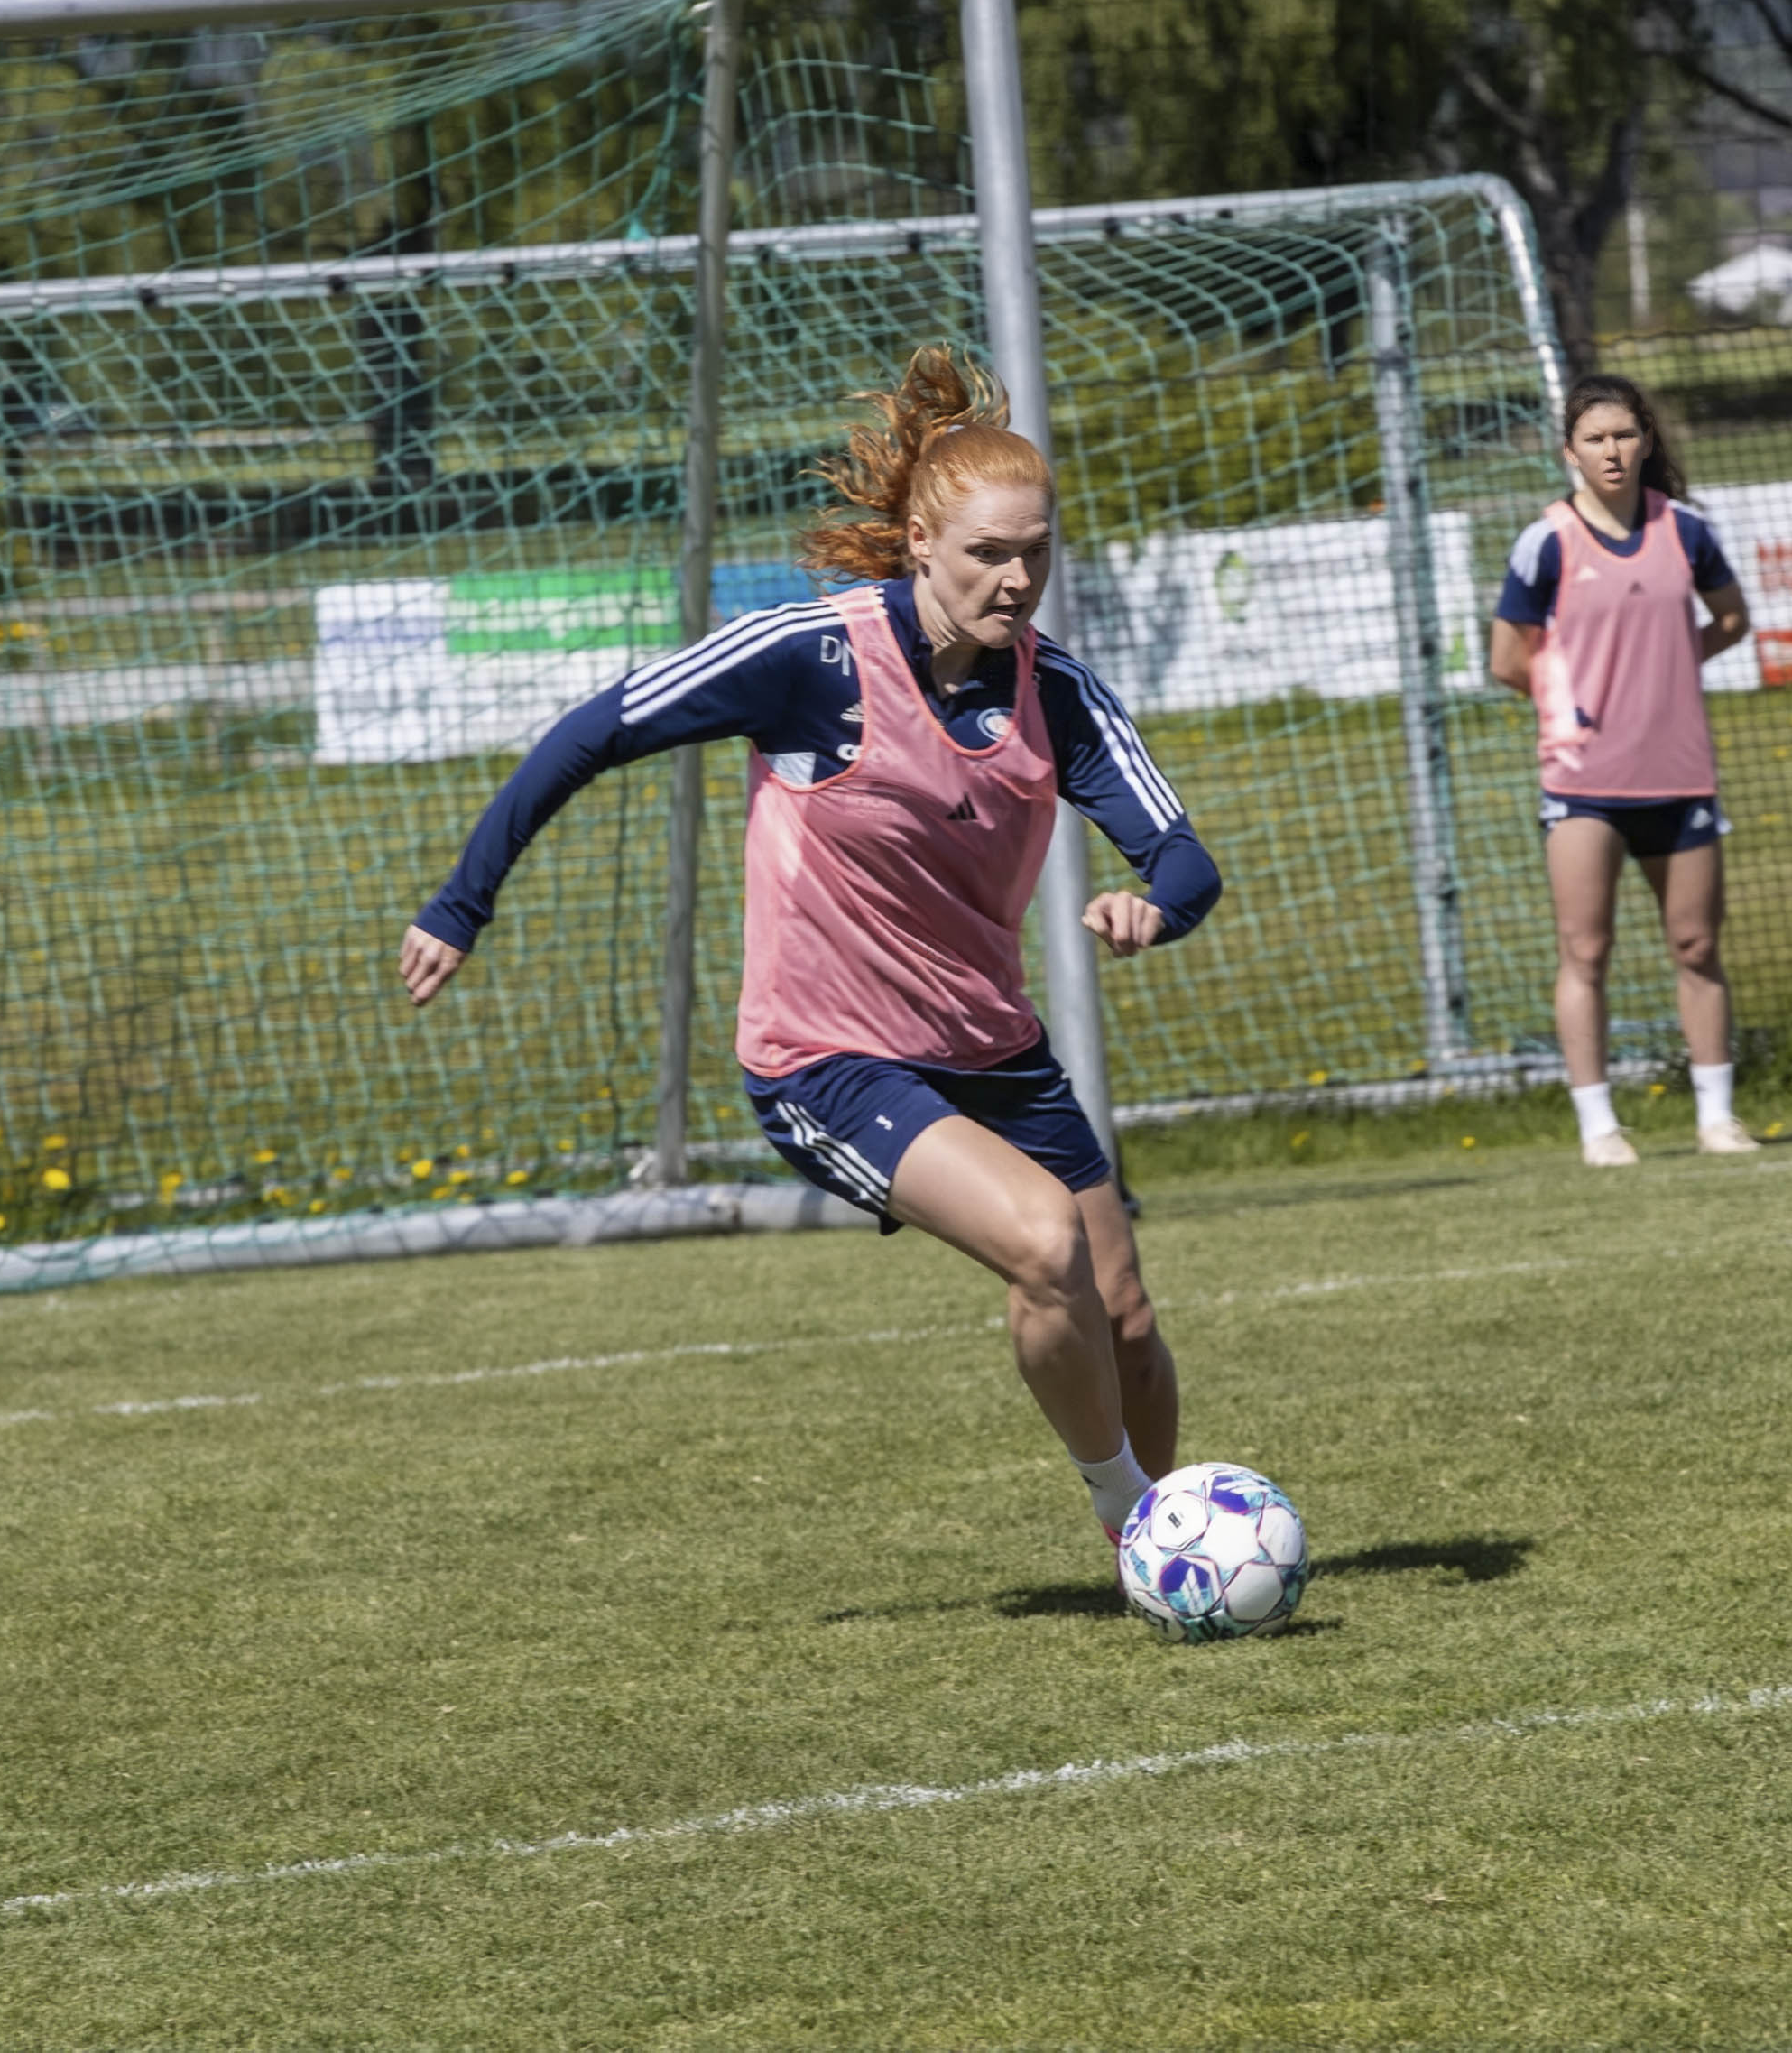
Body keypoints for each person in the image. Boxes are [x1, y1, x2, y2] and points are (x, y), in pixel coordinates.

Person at [397, 347, 1224, 1544]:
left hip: (992, 1050)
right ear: (920, 543)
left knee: (1127, 1316)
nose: (1016, 579)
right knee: (1047, 1247)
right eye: (988, 552)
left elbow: (1183, 856)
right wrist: (460, 904)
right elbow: (594, 730)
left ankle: (1157, 1551)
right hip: (825, 1058)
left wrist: (1156, 905)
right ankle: (1134, 1521)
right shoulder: (813, 657)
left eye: (1036, 551)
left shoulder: (1058, 693)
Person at [1488, 373, 1757, 1167]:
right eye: (1595, 438)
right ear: (1570, 452)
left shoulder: (1687, 530)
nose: (1612, 451)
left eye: (1625, 435)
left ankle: (1718, 1117)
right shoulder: (1546, 541)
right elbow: (1508, 659)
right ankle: (1598, 1126)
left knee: (1697, 944)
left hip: (1680, 772)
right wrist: (1570, 704)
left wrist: (1667, 669)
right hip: (1583, 784)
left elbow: (1731, 619)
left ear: (1646, 442)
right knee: (1587, 950)